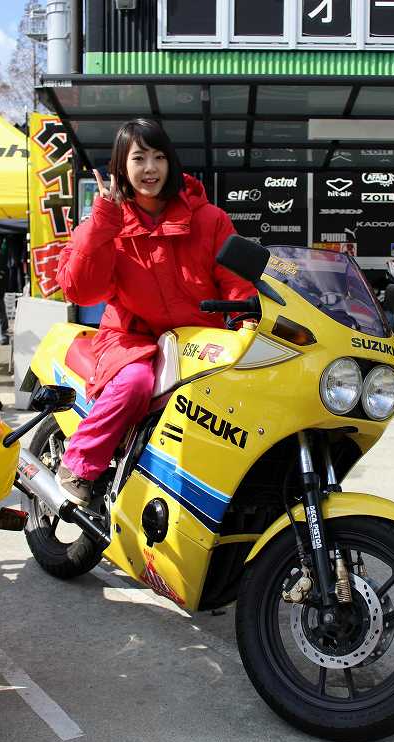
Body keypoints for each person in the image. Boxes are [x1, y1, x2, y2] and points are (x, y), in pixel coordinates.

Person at [56, 118, 256, 506]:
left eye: (159, 157)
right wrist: (103, 223)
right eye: (139, 158)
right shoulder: (106, 222)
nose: (150, 168)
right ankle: (78, 463)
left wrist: (248, 322)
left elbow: (236, 282)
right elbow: (81, 290)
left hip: (200, 340)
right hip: (131, 336)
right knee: (134, 382)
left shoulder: (209, 219)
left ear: (171, 162)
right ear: (121, 167)